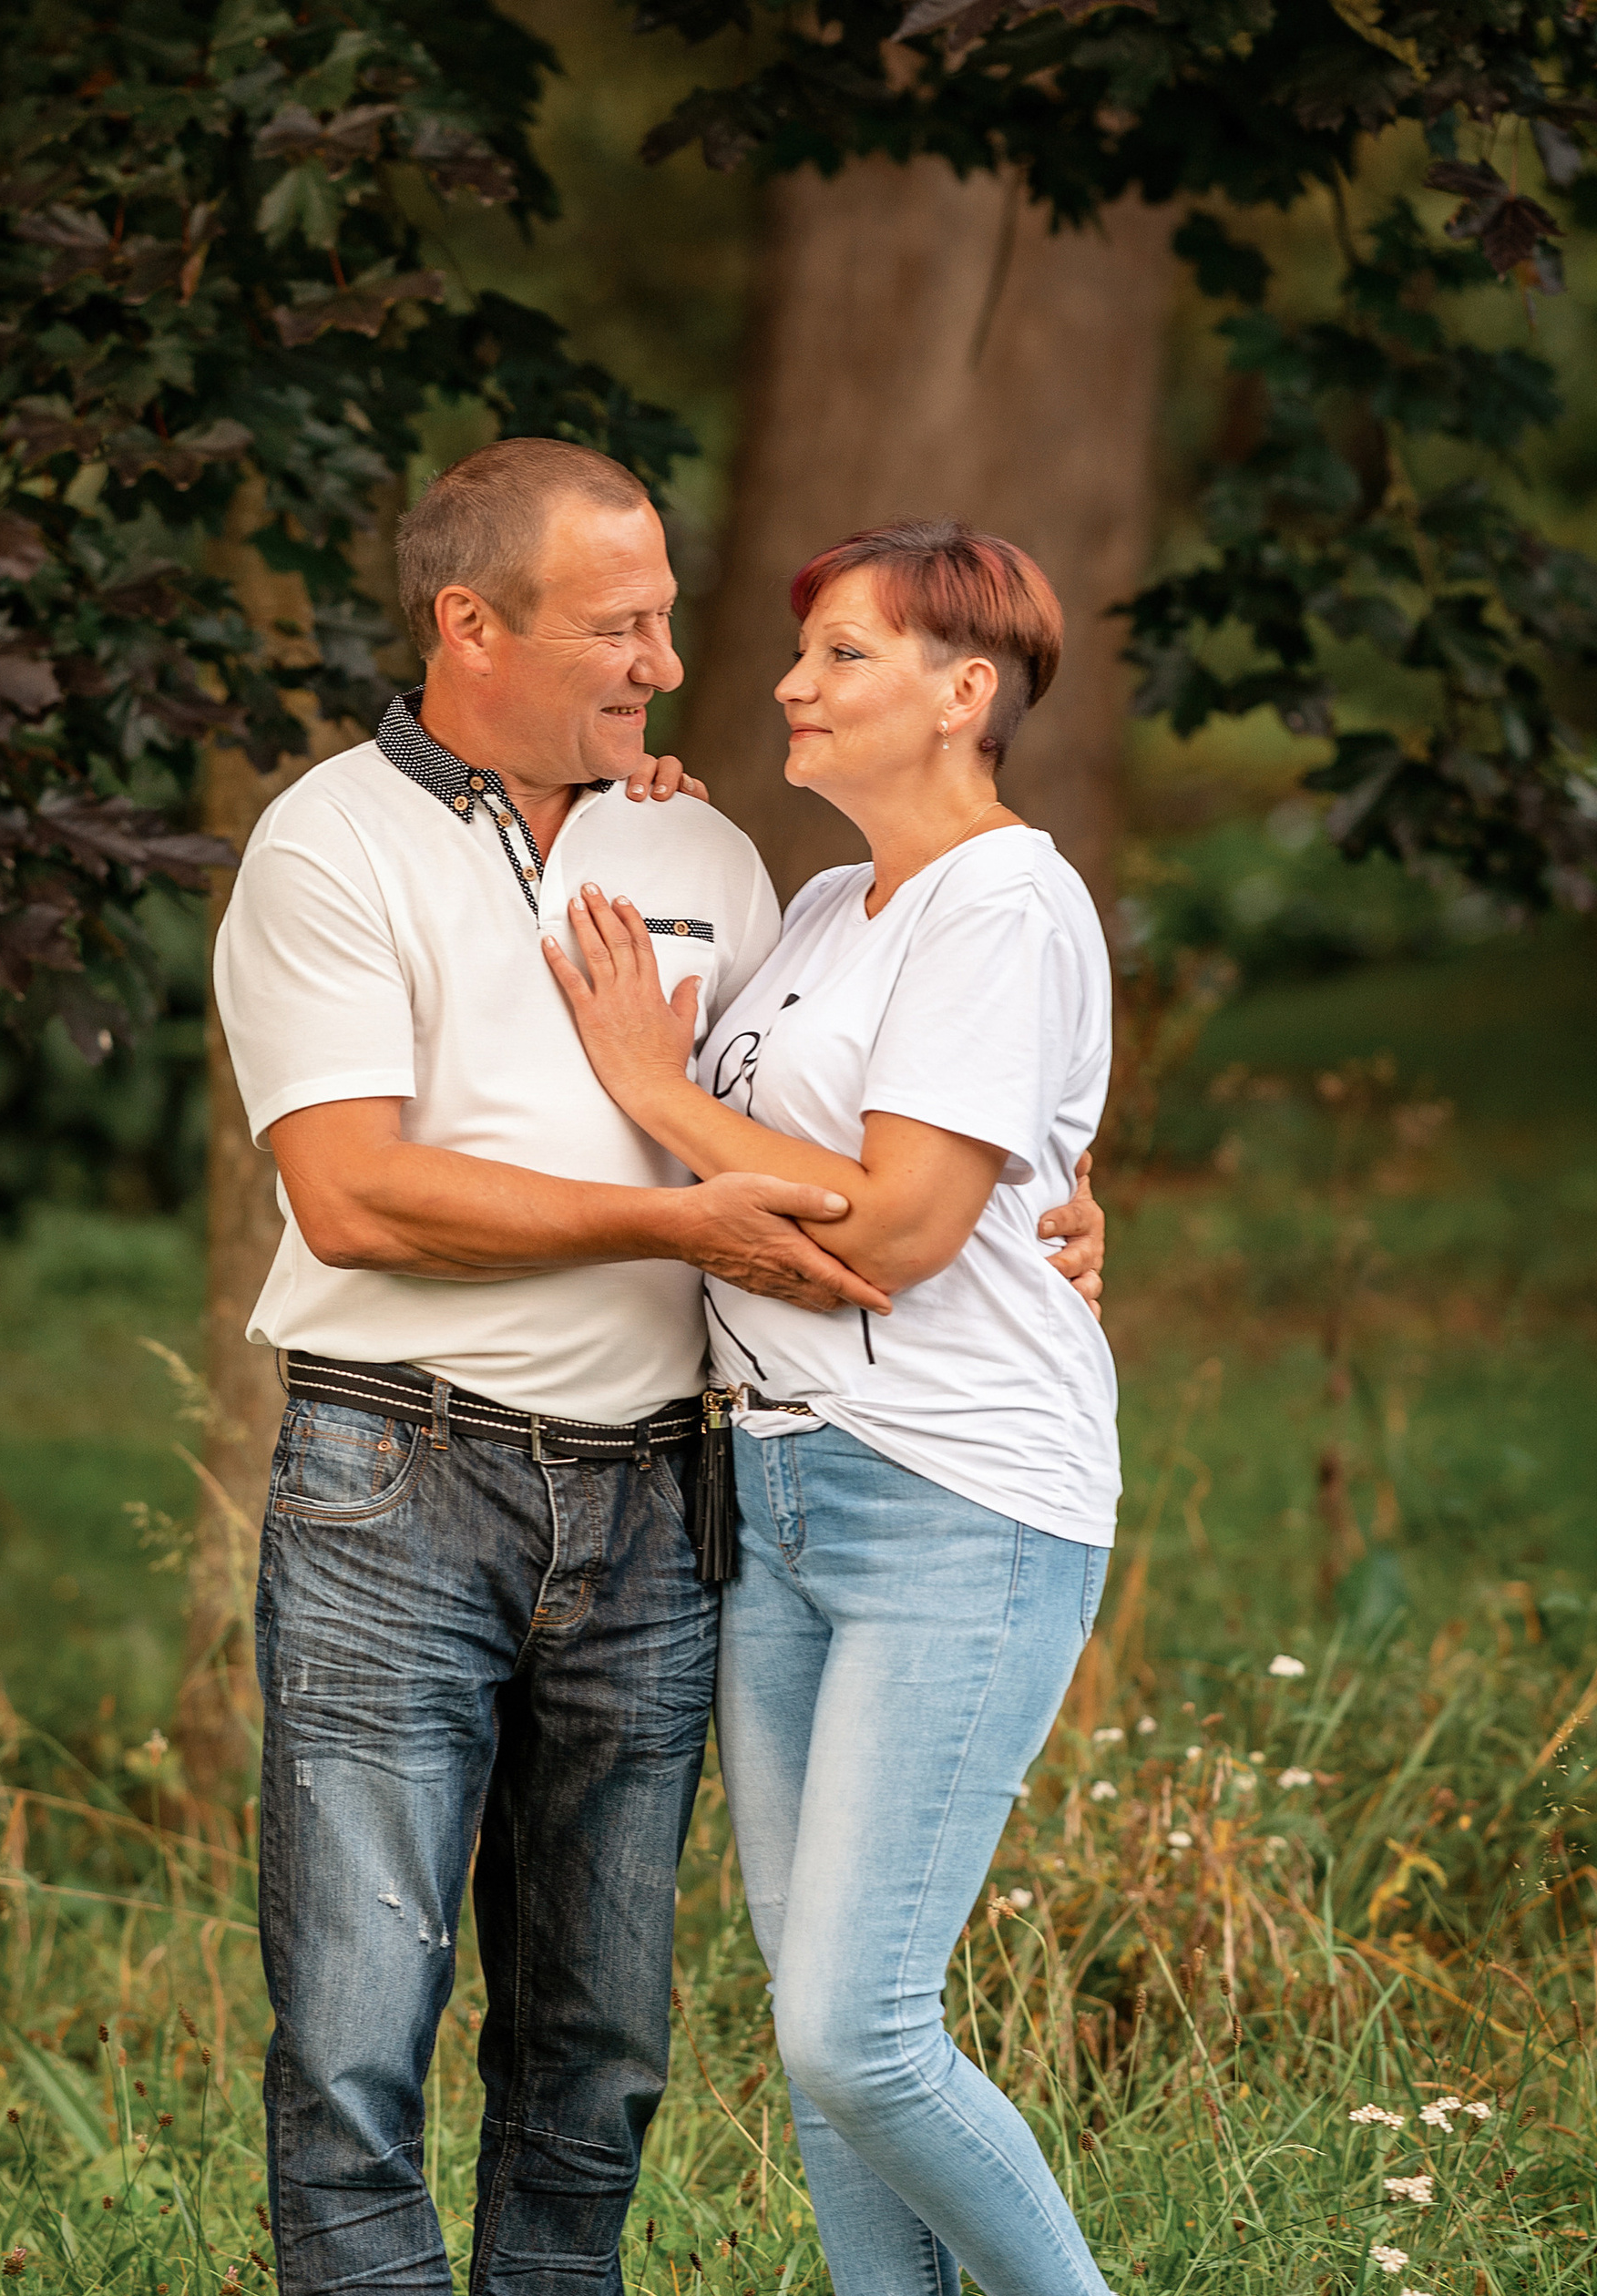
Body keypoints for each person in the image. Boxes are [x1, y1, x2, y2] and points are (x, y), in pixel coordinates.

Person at [213, 441, 1104, 2295]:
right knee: (359, 2026)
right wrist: (680, 1222)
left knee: (607, 2042)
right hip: (406, 1476)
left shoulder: (705, 848)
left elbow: (876, 1150)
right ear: (472, 624)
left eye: (673, 618)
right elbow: (353, 1195)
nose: (675, 665)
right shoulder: (330, 840)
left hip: (665, 1498)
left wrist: (1056, 1199)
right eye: (621, 625)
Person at [544, 517, 1118, 2296]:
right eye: (801, 651)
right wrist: (629, 817)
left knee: (858, 2032)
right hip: (771, 1493)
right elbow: (853, 1175)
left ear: (963, 691)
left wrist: (656, 1089)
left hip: (950, 1492)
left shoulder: (1005, 901)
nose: (792, 681)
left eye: (843, 653)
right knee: (818, 2044)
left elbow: (892, 1232)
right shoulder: (822, 906)